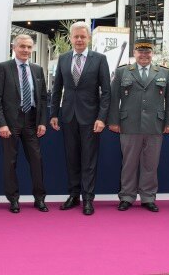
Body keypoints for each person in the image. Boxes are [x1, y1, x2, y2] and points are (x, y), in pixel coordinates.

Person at [108, 39, 169, 212]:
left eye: (147, 52)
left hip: (155, 125)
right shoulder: (123, 71)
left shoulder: (163, 72)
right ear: (135, 52)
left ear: (152, 53)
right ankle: (127, 196)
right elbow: (113, 98)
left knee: (150, 164)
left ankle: (148, 197)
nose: (144, 55)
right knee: (129, 163)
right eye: (141, 52)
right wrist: (114, 121)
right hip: (129, 124)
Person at [50, 21, 111, 215]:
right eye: (75, 36)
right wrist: (53, 114)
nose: (79, 40)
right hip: (68, 116)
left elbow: (106, 92)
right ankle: (74, 195)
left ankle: (88, 198)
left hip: (91, 118)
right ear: (70, 37)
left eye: (82, 36)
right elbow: (57, 88)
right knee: (72, 158)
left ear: (88, 38)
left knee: (89, 160)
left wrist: (102, 118)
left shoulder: (100, 59)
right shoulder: (63, 58)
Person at [0, 34, 48, 214]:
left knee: (36, 161)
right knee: (10, 162)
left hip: (31, 122)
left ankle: (39, 198)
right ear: (13, 48)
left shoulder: (37, 69)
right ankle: (13, 199)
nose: (26, 50)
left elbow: (43, 98)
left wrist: (42, 122)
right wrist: (1, 124)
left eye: (29, 47)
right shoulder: (2, 68)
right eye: (22, 46)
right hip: (10, 123)